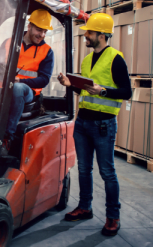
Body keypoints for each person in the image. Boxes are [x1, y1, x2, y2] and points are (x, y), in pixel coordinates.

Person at [58, 13, 132, 236]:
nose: (85, 36)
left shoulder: (116, 59)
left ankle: (112, 217)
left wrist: (104, 90)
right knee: (83, 169)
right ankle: (85, 207)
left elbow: (127, 92)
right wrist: (70, 85)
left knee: (107, 172)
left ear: (101, 35)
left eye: (89, 32)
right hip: (83, 123)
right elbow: (85, 91)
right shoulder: (87, 60)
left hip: (103, 125)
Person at [0, 9, 54, 154]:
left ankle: (7, 138)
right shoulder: (9, 43)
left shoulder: (47, 51)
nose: (41, 35)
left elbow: (44, 80)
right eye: (39, 30)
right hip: (3, 87)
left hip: (28, 93)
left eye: (44, 32)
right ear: (29, 26)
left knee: (18, 89)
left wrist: (20, 80)